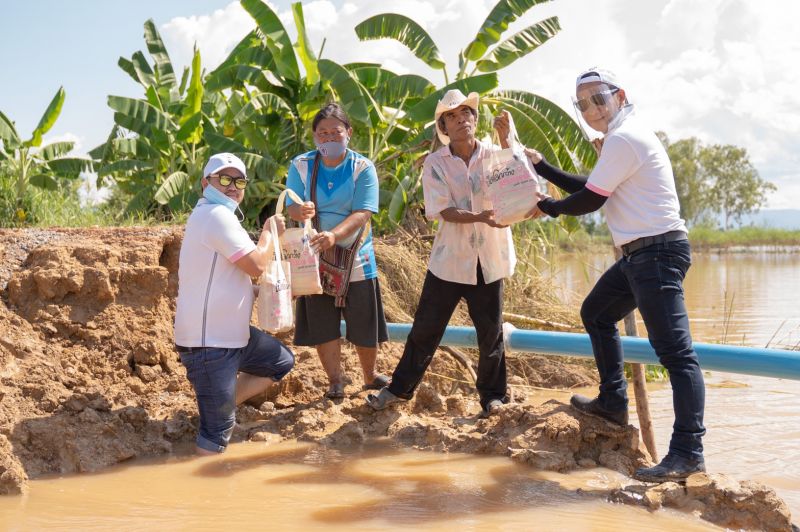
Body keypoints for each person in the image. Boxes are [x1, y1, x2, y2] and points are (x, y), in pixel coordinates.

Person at [526, 68, 706, 482]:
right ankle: (612, 402)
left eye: (598, 98)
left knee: (677, 356)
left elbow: (589, 200)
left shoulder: (624, 138)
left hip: (657, 252)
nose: (591, 108)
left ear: (620, 95)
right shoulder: (621, 139)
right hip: (639, 256)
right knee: (597, 313)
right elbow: (594, 186)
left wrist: (549, 206)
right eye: (582, 103)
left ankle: (688, 453)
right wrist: (543, 168)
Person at [366, 89, 516, 417]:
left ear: (475, 120)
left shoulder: (494, 154)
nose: (461, 118)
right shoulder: (435, 163)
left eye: (466, 113)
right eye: (452, 115)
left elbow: (516, 182)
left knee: (490, 334)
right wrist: (480, 217)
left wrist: (507, 142)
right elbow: (442, 210)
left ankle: (494, 397)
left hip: (489, 259)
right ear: (443, 127)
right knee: (425, 329)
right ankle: (399, 390)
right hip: (449, 261)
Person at [174, 152, 295, 455]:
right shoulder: (215, 215)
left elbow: (228, 274)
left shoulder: (219, 216)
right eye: (224, 179)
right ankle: (203, 489)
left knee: (280, 361)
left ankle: (219, 405)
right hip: (210, 344)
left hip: (232, 336)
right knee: (216, 436)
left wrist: (263, 293)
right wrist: (269, 234)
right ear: (206, 182)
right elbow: (255, 264)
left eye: (238, 180)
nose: (232, 186)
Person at [285, 102, 389, 399]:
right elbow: (290, 202)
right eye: (323, 133)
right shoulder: (301, 165)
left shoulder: (362, 167)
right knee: (321, 319)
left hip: (357, 254)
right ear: (315, 137)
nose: (329, 138)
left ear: (348, 133)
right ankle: (335, 381)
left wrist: (334, 235)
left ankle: (369, 377)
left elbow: (363, 212)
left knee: (363, 317)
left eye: (336, 132)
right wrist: (299, 210)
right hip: (313, 252)